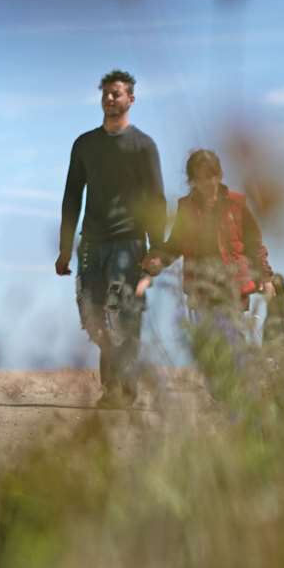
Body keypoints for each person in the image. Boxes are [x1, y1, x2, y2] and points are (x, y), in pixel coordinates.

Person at [55, 70, 165, 406]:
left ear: (131, 99)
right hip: (91, 243)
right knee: (92, 316)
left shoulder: (143, 146)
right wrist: (64, 249)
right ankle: (119, 381)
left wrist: (157, 249)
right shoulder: (85, 144)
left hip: (129, 242)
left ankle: (119, 389)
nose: (109, 98)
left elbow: (155, 200)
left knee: (122, 313)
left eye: (116, 93)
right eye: (105, 93)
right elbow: (72, 196)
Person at [138, 149, 275, 340]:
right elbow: (176, 244)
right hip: (200, 287)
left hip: (233, 286)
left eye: (212, 176)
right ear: (192, 181)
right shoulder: (185, 207)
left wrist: (266, 278)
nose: (209, 183)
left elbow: (254, 245)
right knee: (208, 349)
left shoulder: (236, 204)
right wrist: (156, 263)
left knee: (235, 344)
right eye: (202, 178)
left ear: (219, 175)